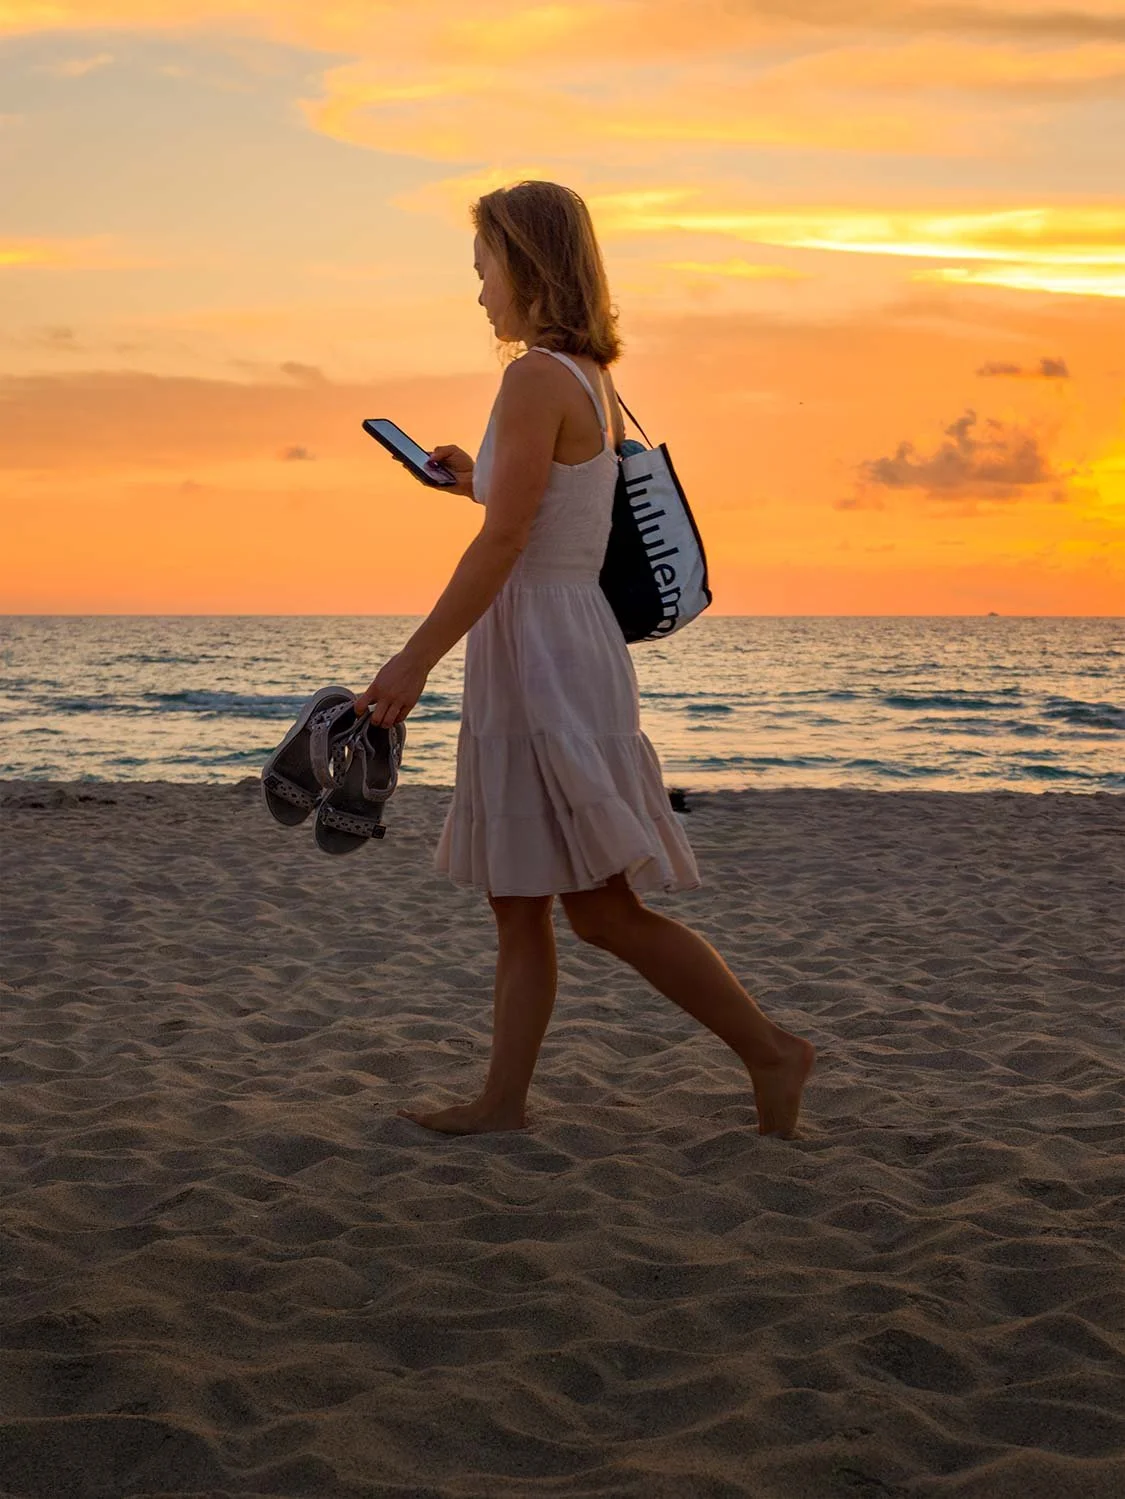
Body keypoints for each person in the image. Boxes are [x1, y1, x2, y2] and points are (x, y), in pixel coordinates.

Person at [352, 181, 815, 1138]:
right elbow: (541, 510)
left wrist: (411, 661)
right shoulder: (585, 378)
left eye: (483, 268)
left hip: (543, 653)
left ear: (524, 263)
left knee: (599, 909)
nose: (478, 291)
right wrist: (473, 479)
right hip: (559, 640)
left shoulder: (532, 379)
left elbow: (508, 541)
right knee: (516, 899)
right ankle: (501, 1102)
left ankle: (773, 1049)